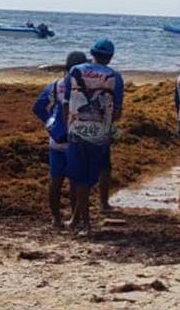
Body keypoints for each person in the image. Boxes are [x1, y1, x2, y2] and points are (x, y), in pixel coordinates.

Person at [63, 38, 124, 236]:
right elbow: (117, 113)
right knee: (89, 179)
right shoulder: (115, 77)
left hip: (75, 132)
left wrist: (68, 126)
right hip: (99, 136)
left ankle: (79, 220)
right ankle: (84, 223)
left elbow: (66, 102)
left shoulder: (75, 71)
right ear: (111, 57)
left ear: (92, 52)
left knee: (78, 179)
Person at [32, 50, 88, 228]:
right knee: (77, 181)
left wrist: (50, 122)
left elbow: (38, 108)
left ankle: (55, 217)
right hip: (78, 139)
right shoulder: (87, 88)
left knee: (55, 180)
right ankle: (75, 218)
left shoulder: (56, 86)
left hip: (57, 139)